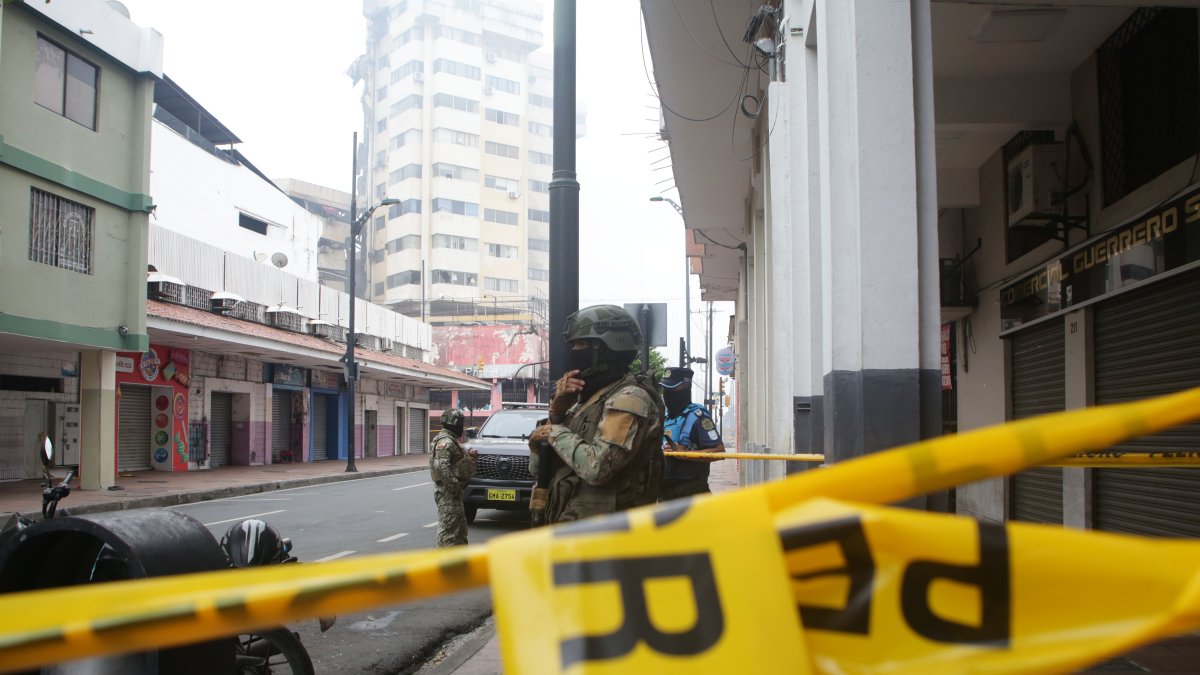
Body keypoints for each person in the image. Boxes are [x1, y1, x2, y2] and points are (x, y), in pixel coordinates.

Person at [528, 305, 665, 523]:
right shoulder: (584, 401)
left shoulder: (629, 398)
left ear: (605, 348)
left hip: (610, 538)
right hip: (573, 532)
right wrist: (556, 414)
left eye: (580, 344)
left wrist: (553, 431)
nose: (573, 352)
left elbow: (598, 468)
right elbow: (537, 470)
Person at [658, 367, 724, 501]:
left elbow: (719, 451)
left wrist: (686, 454)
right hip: (666, 495)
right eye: (666, 389)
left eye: (672, 389)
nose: (667, 393)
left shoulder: (698, 417)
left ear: (686, 388)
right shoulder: (666, 417)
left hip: (692, 495)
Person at [429, 408, 477, 547]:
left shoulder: (450, 440)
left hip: (453, 493)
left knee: (459, 530)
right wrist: (454, 485)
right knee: (449, 532)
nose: (462, 427)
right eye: (461, 423)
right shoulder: (446, 442)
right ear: (454, 423)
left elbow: (454, 460)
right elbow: (441, 467)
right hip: (448, 493)